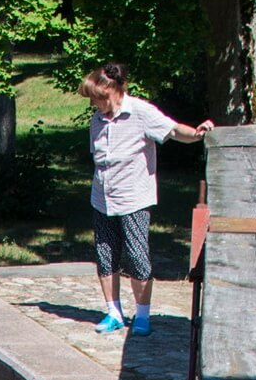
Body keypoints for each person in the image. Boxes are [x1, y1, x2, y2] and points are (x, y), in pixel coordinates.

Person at [78, 62, 214, 337]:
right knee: (106, 256)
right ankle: (113, 312)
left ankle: (142, 315)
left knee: (138, 257)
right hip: (102, 198)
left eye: (96, 98)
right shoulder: (97, 121)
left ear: (112, 92)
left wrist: (198, 134)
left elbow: (174, 131)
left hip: (134, 198)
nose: (93, 103)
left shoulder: (140, 112)